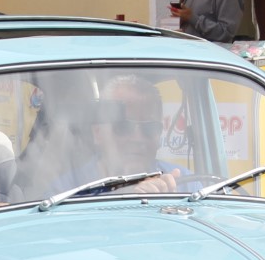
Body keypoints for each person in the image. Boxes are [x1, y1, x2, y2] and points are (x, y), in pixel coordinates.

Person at [51, 75, 180, 195]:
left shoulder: (184, 184)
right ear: (98, 133)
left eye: (150, 128)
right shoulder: (66, 191)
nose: (138, 138)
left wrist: (170, 204)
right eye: (123, 127)